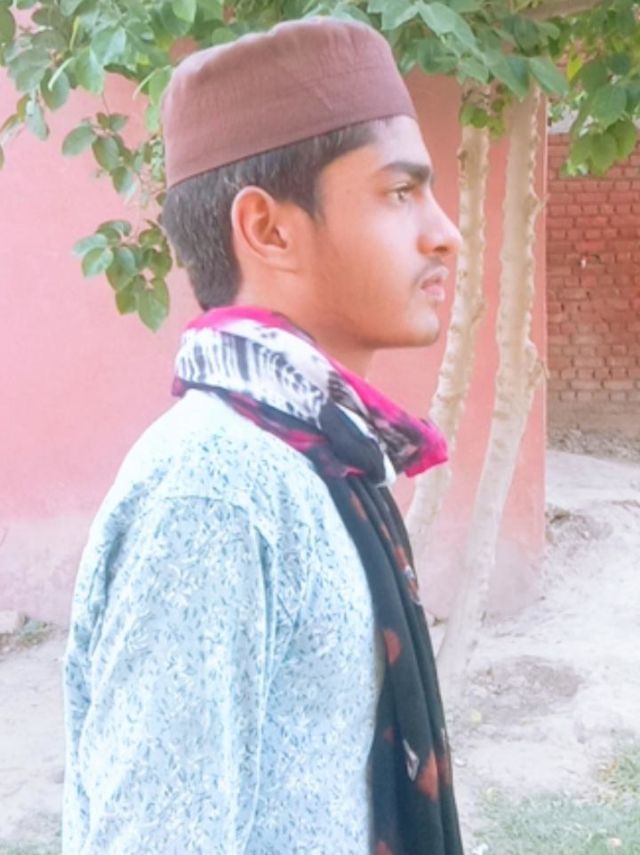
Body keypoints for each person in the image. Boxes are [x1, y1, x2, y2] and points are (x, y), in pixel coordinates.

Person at [63, 16, 464, 855]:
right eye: (400, 192)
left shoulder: (322, 456)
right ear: (269, 229)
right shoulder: (215, 490)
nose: (443, 231)